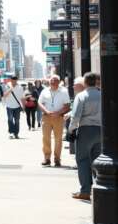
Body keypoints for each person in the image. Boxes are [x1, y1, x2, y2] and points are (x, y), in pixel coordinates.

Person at [68, 73, 102, 201]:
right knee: (97, 161)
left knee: (82, 160)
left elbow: (76, 116)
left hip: (85, 130)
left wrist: (71, 130)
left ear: (85, 83)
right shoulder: (102, 95)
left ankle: (85, 191)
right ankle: (100, 187)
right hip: (101, 130)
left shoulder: (81, 96)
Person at [37, 75, 71, 167]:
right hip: (46, 117)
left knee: (58, 139)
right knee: (46, 138)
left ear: (59, 82)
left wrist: (58, 113)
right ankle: (47, 158)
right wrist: (46, 111)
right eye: (51, 80)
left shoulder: (64, 91)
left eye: (55, 80)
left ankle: (57, 159)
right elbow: (40, 102)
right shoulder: (45, 91)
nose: (53, 82)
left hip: (58, 117)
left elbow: (67, 105)